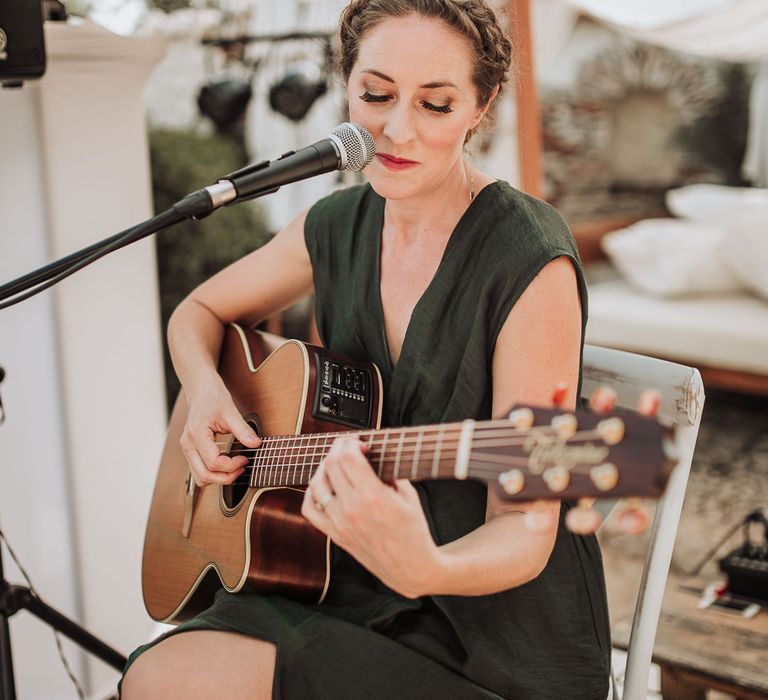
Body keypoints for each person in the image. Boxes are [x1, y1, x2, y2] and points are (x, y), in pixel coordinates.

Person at [121, 0, 610, 698]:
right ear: (346, 83)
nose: (396, 128)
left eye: (435, 104)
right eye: (375, 94)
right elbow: (196, 312)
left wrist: (428, 569)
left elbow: (526, 535)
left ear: (481, 105)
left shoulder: (526, 256)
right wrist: (205, 393)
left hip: (488, 637)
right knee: (155, 676)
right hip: (339, 580)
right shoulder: (336, 225)